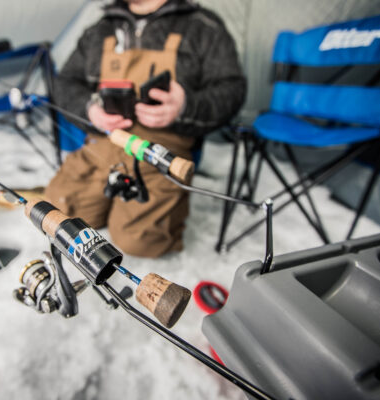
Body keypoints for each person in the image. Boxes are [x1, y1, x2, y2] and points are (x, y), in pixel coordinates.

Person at [45, 0, 246, 257]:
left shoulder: (203, 27)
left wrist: (186, 106)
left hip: (161, 148)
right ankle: (108, 203)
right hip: (104, 141)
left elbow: (233, 89)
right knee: (58, 216)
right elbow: (66, 82)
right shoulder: (100, 29)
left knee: (140, 242)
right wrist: (89, 110)